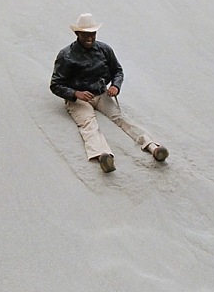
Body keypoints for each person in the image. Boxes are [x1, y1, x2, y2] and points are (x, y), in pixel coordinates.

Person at [50, 13, 169, 173]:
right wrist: (76, 93)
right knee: (89, 125)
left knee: (121, 118)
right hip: (79, 100)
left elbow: (117, 71)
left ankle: (152, 147)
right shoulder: (66, 55)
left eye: (92, 33)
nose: (90, 37)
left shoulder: (105, 49)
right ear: (78, 34)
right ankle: (103, 156)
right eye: (86, 34)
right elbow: (55, 84)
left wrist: (116, 86)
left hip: (102, 93)